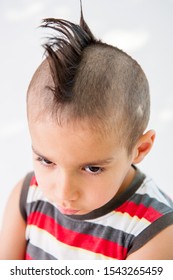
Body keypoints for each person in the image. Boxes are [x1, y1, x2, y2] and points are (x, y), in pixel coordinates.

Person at [0, 6, 173, 260]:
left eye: (92, 168)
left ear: (140, 149)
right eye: (47, 161)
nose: (63, 193)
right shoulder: (27, 197)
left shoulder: (153, 233)